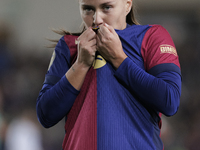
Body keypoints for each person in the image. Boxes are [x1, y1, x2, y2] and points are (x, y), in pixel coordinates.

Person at [36, 0, 182, 149]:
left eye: (106, 7)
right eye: (88, 9)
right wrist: (81, 64)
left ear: (127, 5)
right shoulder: (68, 46)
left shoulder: (151, 37)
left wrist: (118, 59)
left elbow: (170, 100)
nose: (96, 19)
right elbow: (46, 115)